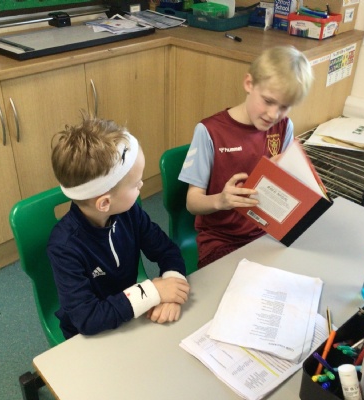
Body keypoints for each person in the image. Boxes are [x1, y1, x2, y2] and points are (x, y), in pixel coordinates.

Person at [48, 114, 190, 339]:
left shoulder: (129, 213)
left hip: (129, 314)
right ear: (104, 203)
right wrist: (153, 292)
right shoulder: (64, 246)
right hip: (89, 336)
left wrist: (172, 291)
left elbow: (167, 250)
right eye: (135, 184)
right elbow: (88, 319)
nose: (141, 185)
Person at [178, 45, 313, 268]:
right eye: (268, 101)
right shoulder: (209, 131)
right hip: (222, 239)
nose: (274, 114)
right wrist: (221, 200)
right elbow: (192, 203)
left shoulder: (284, 127)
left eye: (284, 107)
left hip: (268, 234)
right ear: (249, 84)